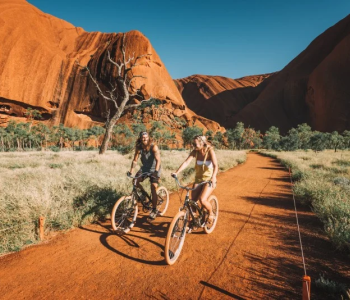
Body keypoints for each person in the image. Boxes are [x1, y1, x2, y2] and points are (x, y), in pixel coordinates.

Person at [172, 135, 218, 223]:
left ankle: (211, 213)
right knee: (192, 202)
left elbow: (216, 166)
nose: (193, 145)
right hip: (198, 179)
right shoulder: (195, 152)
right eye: (193, 143)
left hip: (209, 180)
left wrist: (214, 177)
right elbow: (186, 162)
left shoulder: (209, 151)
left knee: (202, 200)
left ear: (202, 143)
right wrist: (176, 172)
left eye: (195, 144)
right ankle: (194, 221)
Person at [128, 131, 161, 220]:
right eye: (143, 137)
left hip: (154, 169)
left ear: (149, 138)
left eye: (146, 137)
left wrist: (156, 172)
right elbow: (135, 160)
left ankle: (154, 210)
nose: (145, 139)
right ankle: (143, 196)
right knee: (135, 181)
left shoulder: (153, 147)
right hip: (145, 169)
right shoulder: (139, 148)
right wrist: (131, 171)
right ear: (140, 138)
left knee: (153, 187)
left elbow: (158, 160)